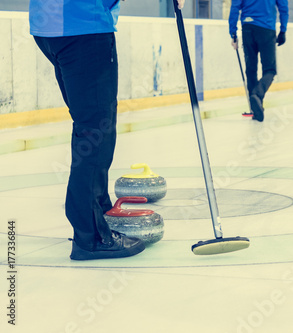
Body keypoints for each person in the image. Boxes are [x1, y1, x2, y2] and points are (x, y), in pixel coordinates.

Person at [28, 0, 184, 260]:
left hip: (49, 28)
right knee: (95, 131)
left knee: (89, 124)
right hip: (84, 28)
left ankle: (98, 211)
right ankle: (91, 237)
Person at [229, 0, 289, 122]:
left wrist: (233, 33)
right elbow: (283, 8)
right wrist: (283, 30)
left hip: (247, 28)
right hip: (266, 28)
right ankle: (257, 94)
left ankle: (255, 109)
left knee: (251, 69)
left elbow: (235, 7)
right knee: (270, 70)